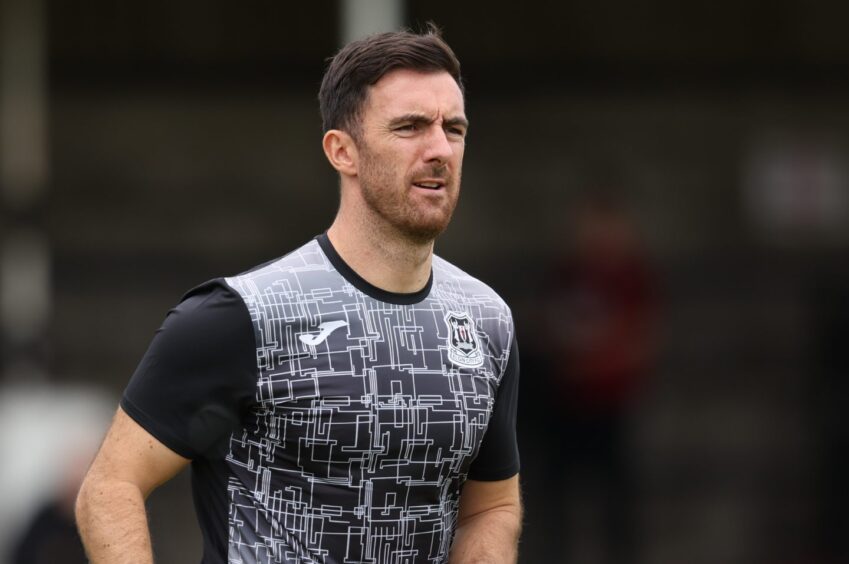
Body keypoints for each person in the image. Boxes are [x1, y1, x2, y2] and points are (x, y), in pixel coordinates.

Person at [75, 26, 522, 564]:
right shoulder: (241, 316)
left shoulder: (485, 322)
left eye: (453, 128)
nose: (439, 149)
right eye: (410, 127)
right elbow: (109, 488)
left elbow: (489, 507)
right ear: (343, 152)